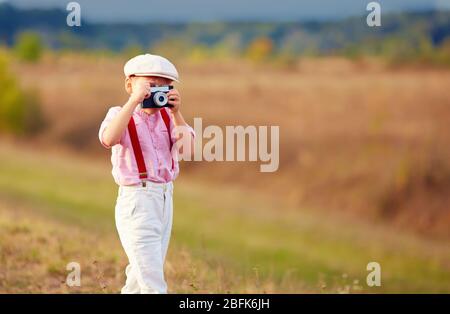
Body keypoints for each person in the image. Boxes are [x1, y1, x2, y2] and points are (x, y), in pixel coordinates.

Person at [98, 53, 195, 293]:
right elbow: (109, 139)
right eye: (151, 85)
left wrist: (176, 112)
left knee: (139, 277)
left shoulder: (169, 118)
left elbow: (189, 150)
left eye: (165, 87)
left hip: (164, 199)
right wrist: (133, 102)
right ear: (129, 84)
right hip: (137, 201)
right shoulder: (119, 113)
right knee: (152, 279)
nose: (157, 92)